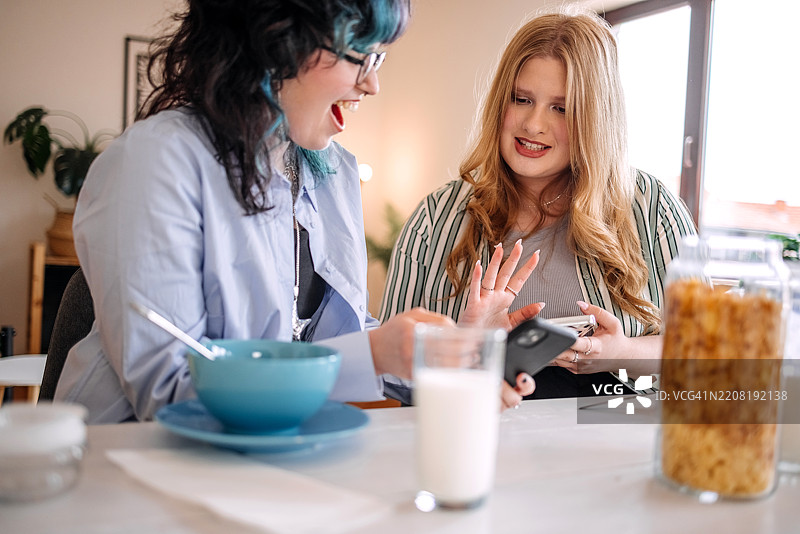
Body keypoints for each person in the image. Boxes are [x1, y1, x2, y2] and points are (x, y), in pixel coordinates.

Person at [55, 0, 533, 423]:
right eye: (359, 53)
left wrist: (452, 353)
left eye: (378, 56)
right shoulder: (155, 161)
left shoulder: (331, 170)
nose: (373, 83)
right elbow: (171, 393)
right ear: (277, 40)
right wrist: (373, 353)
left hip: (274, 454)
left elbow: (335, 337)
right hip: (130, 467)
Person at [379, 7, 697, 399]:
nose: (533, 124)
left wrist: (621, 353)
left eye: (560, 108)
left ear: (595, 120)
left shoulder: (652, 208)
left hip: (617, 443)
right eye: (521, 99)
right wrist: (468, 348)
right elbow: (390, 379)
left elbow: (711, 356)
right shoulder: (437, 218)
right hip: (480, 445)